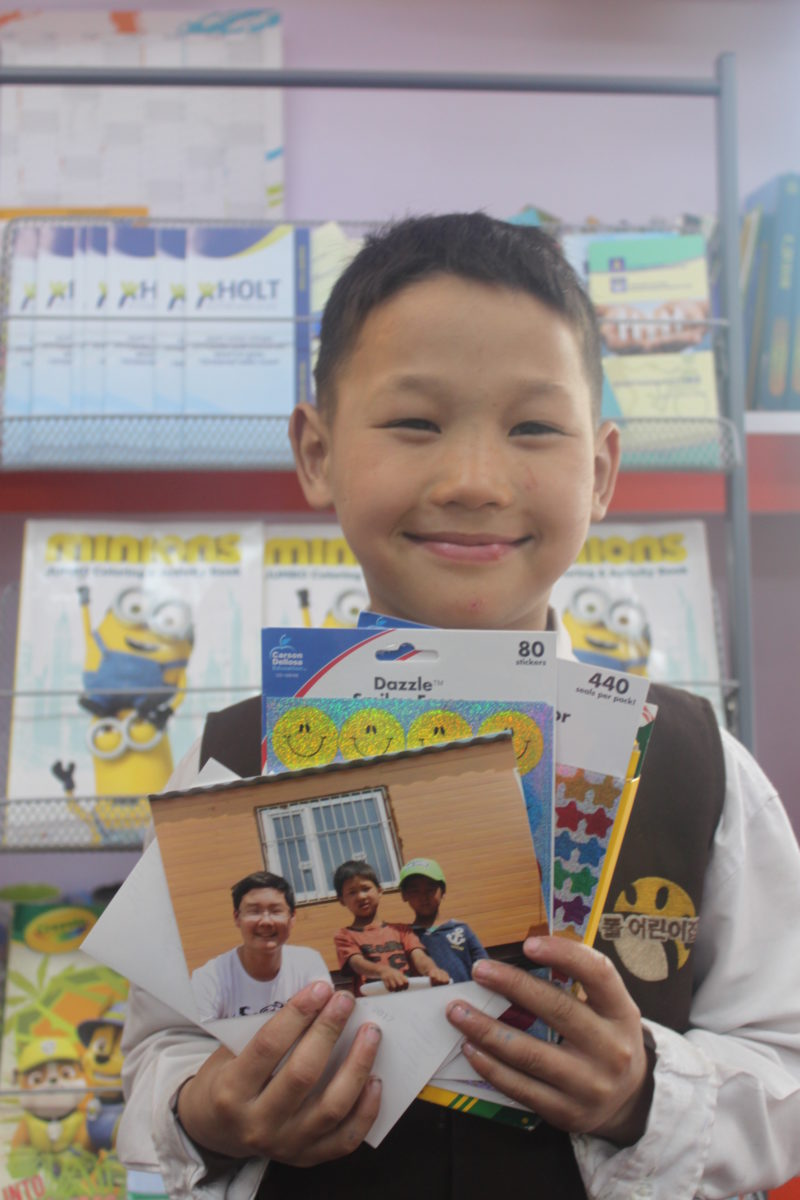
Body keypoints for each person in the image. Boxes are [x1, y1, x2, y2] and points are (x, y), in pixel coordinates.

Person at [119, 213, 800, 1200]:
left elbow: (783, 1062)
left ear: (600, 472)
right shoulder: (232, 756)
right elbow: (156, 1056)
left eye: (533, 428)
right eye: (415, 423)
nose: (474, 482)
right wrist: (205, 1110)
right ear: (315, 452)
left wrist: (645, 1093)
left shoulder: (697, 765)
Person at [190, 871, 331, 1022]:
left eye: (276, 911)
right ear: (237, 918)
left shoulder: (309, 962)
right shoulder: (209, 978)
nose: (266, 921)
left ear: (292, 918)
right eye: (254, 911)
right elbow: (198, 1035)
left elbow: (328, 1022)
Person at [332, 859, 450, 995]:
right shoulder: (344, 935)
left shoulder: (402, 930)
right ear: (342, 900)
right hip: (372, 1002)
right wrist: (383, 971)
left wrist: (432, 970)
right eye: (352, 892)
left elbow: (419, 956)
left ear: (379, 891)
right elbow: (356, 963)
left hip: (409, 998)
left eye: (366, 889)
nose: (361, 896)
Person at [398, 857, 488, 984]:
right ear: (404, 895)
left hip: (465, 995)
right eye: (415, 891)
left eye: (430, 889)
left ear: (443, 891)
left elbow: (485, 967)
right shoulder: (405, 936)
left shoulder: (460, 930)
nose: (423, 896)